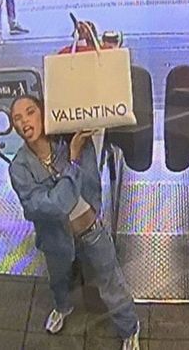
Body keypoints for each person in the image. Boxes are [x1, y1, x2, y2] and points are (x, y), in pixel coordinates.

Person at [8, 94, 140, 350]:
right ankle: (62, 307)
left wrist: (74, 153)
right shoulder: (19, 168)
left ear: (45, 112)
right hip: (55, 237)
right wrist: (72, 162)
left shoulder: (75, 142)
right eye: (17, 118)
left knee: (110, 283)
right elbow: (48, 207)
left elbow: (87, 186)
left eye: (30, 111)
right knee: (58, 279)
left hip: (90, 230)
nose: (25, 120)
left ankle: (130, 328)